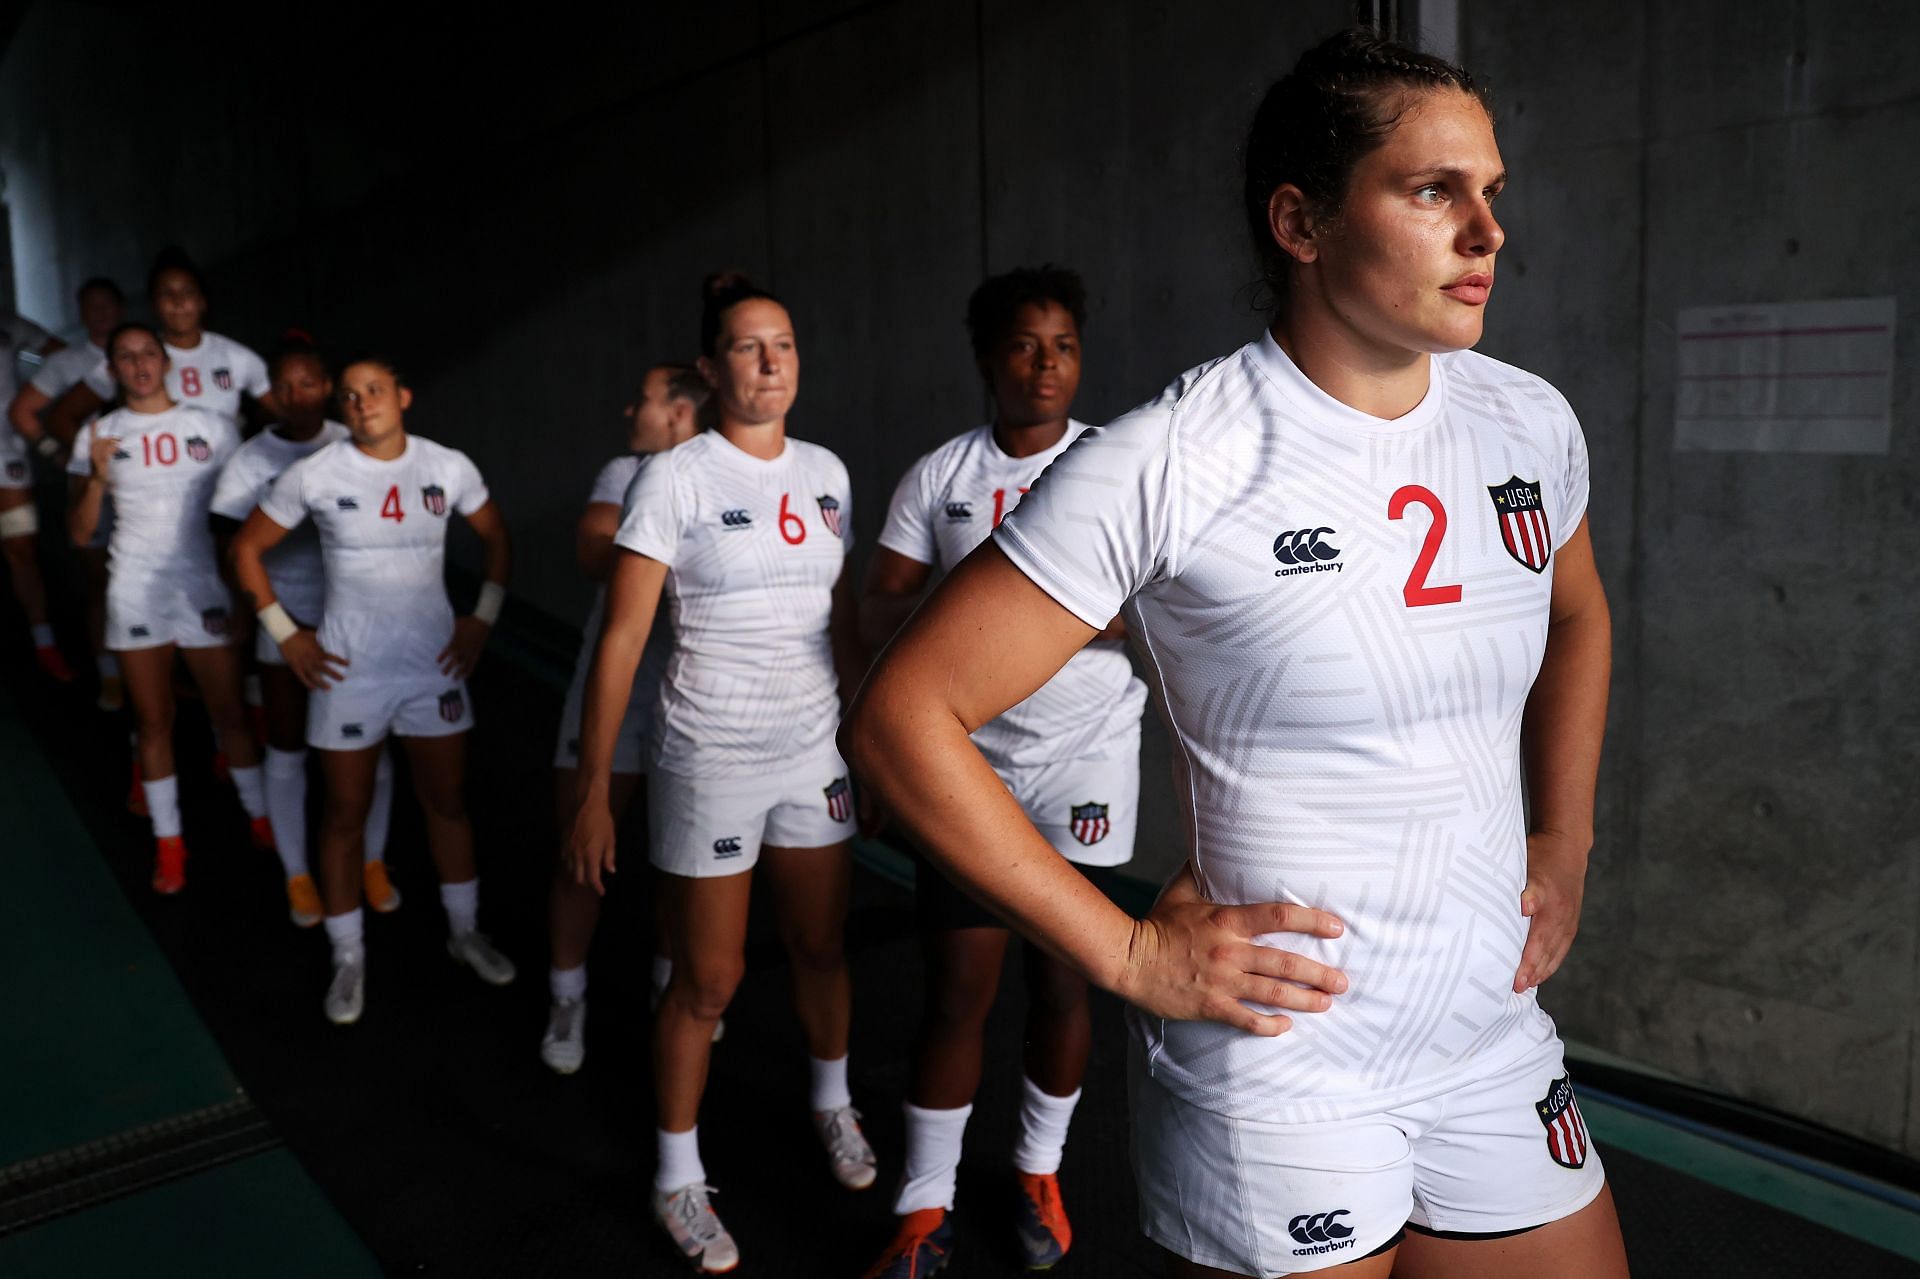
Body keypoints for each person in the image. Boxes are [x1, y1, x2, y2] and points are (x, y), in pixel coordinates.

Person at [842, 28, 1625, 1279]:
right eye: (1434, 191)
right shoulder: (1175, 456)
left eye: (1491, 194)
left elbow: (1575, 614)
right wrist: (1127, 951)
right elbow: (902, 715)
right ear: (1301, 224)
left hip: (1488, 1032)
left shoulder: (1527, 418)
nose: (1486, 231)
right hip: (1286, 1060)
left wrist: (1567, 838)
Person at [568, 277, 874, 1273]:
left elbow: (840, 623)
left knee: (822, 946)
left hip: (812, 749)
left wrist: (864, 746)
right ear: (711, 368)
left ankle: (833, 1106)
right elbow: (623, 638)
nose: (771, 362)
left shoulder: (828, 472)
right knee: (709, 980)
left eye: (783, 343)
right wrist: (591, 792)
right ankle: (677, 1176)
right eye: (747, 347)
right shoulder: (677, 477)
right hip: (708, 757)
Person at [859, 265, 1146, 1277]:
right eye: (1026, 345)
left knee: (1063, 982)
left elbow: (1162, 606)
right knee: (957, 989)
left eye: (1064, 345)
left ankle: (1037, 1169)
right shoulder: (942, 475)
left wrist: (1049, 616)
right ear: (989, 359)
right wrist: (887, 744)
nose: (1047, 363)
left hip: (1088, 763)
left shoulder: (1117, 466)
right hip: (967, 765)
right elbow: (879, 601)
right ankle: (922, 1203)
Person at [230, 356, 514, 1027]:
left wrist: (484, 615)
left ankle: (464, 929)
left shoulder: (447, 465)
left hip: (432, 669)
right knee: (343, 814)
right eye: (351, 396)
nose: (362, 403)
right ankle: (348, 952)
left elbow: (497, 536)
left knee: (445, 802)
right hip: (348, 672)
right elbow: (245, 549)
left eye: (375, 390)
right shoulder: (317, 472)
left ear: (404, 396)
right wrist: (286, 633)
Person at [541, 361, 708, 1075]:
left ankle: (673, 988)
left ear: (677, 412)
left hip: (695, 694)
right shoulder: (627, 470)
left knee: (685, 862)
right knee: (582, 849)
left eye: (639, 399)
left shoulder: (731, 471)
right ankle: (567, 995)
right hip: (614, 687)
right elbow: (589, 551)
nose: (627, 410)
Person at [67, 322, 272, 894]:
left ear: (165, 363)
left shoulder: (210, 427)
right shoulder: (99, 434)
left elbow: (243, 518)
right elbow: (81, 533)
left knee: (229, 713)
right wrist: (98, 479)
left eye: (147, 354)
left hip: (202, 585)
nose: (138, 365)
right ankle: (170, 845)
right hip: (134, 589)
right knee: (154, 721)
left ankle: (260, 820)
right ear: (112, 369)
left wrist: (240, 591)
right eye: (126, 357)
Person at [210, 337, 399, 928]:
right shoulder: (251, 459)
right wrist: (263, 620)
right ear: (272, 393)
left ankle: (372, 861)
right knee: (289, 745)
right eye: (284, 386)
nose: (297, 397)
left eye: (309, 383)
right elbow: (231, 544)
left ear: (329, 389)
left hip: (357, 621)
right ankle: (297, 872)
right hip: (285, 622)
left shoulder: (352, 444)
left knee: (374, 750)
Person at [8, 278, 127, 701]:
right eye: (90, 306)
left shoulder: (143, 354)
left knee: (147, 578)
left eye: (106, 304)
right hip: (90, 485)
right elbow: (29, 412)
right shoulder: (75, 367)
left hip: (146, 486)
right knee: (101, 582)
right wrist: (58, 454)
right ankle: (111, 671)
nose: (100, 313)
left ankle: (155, 673)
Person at [51, 249, 277, 437]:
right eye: (167, 294)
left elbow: (288, 414)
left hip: (226, 483)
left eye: (187, 292)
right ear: (153, 304)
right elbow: (63, 417)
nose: (178, 302)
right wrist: (105, 469)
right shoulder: (135, 358)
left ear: (201, 301)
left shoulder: (235, 356)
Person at [0, 304, 70, 680]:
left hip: (7, 453)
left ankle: (44, 643)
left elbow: (61, 352)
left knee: (21, 547)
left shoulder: (9, 323)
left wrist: (35, 393)